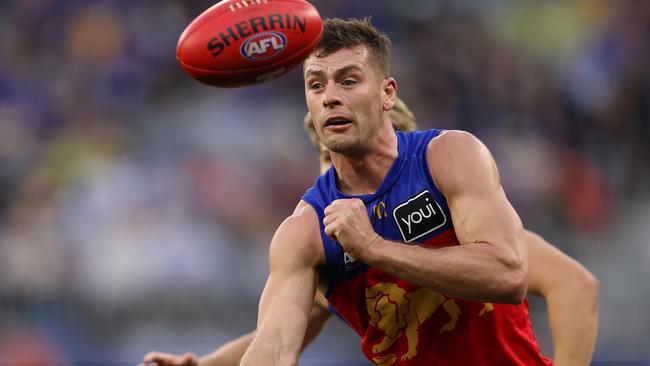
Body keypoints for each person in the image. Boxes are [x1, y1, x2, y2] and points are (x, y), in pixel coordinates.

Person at [143, 18, 599, 365]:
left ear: (387, 94)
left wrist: (375, 248)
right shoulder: (306, 232)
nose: (329, 97)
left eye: (347, 80)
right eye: (316, 85)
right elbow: (277, 341)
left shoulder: (450, 159)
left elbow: (511, 275)